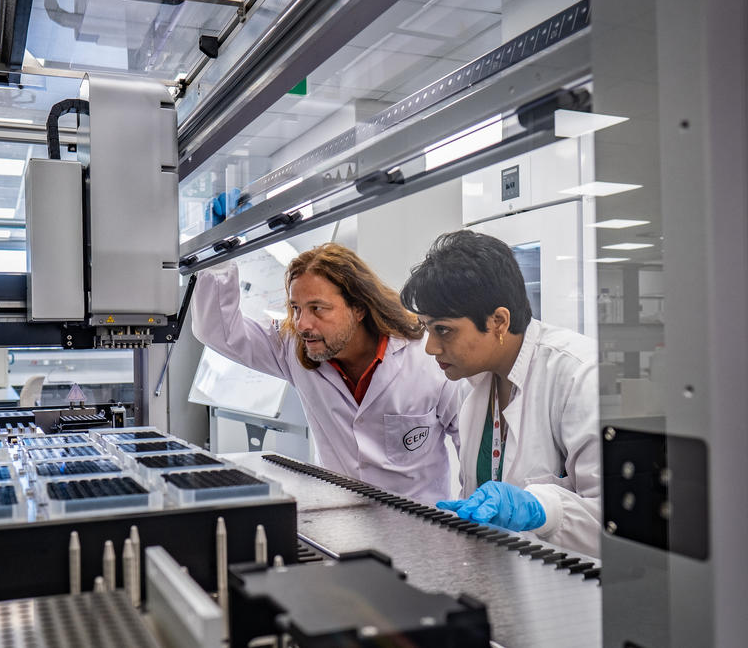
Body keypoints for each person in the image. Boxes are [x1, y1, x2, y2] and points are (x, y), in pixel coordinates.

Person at [191, 243, 462, 502]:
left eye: (317, 308)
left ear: (358, 308)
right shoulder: (293, 349)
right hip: (340, 522)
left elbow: (470, 438)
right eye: (296, 308)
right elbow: (217, 331)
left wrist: (472, 518)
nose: (302, 324)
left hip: (419, 527)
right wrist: (218, 255)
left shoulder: (427, 357)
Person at [400, 230, 600, 556]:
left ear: (498, 322)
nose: (431, 347)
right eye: (426, 328)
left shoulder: (579, 376)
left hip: (574, 593)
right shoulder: (476, 382)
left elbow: (618, 525)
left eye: (443, 330)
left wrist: (542, 508)